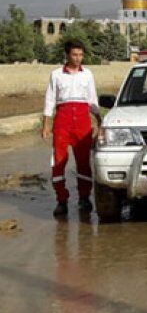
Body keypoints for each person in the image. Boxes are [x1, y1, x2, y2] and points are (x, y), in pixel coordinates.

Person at [42, 39, 102, 216]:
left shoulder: (87, 74)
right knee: (58, 162)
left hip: (82, 122)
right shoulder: (56, 75)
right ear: (67, 55)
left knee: (83, 162)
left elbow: (92, 100)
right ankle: (61, 200)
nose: (78, 58)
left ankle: (84, 198)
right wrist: (45, 125)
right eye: (75, 55)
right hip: (62, 121)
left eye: (81, 55)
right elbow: (50, 99)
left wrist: (99, 120)